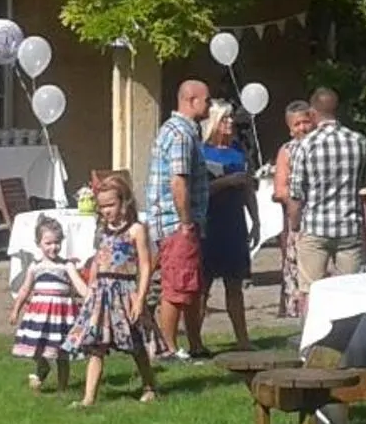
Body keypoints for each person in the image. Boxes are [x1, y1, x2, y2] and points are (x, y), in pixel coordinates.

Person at [66, 172, 167, 405]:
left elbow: (144, 264)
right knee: (96, 346)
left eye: (111, 204)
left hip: (125, 292)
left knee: (136, 344)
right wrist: (91, 290)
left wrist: (140, 298)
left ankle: (150, 385)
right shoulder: (101, 231)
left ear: (124, 201)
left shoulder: (136, 230)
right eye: (102, 207)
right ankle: (88, 399)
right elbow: (98, 260)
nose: (106, 211)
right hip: (101, 293)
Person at [144, 79, 212, 360]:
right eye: (206, 100)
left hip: (179, 221)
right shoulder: (181, 134)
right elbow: (178, 182)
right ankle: (168, 348)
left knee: (191, 285)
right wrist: (185, 223)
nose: (209, 105)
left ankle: (195, 344)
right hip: (176, 223)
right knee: (176, 285)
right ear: (191, 100)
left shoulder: (181, 131)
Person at [288, 93, 366, 287]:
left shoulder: (306, 145)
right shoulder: (359, 141)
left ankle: (311, 318)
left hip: (316, 226)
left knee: (311, 292)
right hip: (349, 226)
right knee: (351, 292)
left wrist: (295, 226)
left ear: (313, 113)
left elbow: (297, 193)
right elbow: (363, 182)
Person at [198, 100, 260, 350]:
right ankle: (196, 339)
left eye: (231, 118)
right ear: (214, 121)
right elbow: (199, 192)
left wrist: (255, 219)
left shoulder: (237, 151)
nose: (230, 122)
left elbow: (247, 188)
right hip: (210, 223)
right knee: (203, 286)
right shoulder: (202, 152)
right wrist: (226, 182)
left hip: (234, 222)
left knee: (235, 284)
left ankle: (243, 339)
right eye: (224, 118)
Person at [9, 216, 88, 393]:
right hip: (40, 315)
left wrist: (90, 296)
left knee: (62, 353)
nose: (53, 247)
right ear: (39, 243)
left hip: (61, 315)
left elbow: (80, 285)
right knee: (36, 347)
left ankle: (62, 388)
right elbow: (24, 289)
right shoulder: (34, 267)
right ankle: (42, 366)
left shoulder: (66, 266)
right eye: (48, 243)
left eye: (57, 242)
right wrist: (16, 310)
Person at [271, 102, 316, 319]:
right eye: (297, 124)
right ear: (290, 128)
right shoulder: (287, 151)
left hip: (323, 216)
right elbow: (279, 190)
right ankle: (298, 314)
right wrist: (298, 197)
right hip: (298, 218)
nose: (302, 128)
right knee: (299, 272)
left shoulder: (322, 146)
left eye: (306, 122)